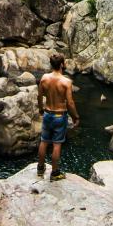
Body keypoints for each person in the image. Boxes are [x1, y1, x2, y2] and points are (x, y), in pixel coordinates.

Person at [37, 53, 79, 181]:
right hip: (60, 116)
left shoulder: (44, 78)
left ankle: (40, 168)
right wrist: (75, 116)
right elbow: (70, 103)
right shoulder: (66, 82)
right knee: (56, 144)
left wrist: (40, 109)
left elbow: (39, 96)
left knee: (44, 141)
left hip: (48, 113)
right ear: (61, 64)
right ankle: (55, 173)